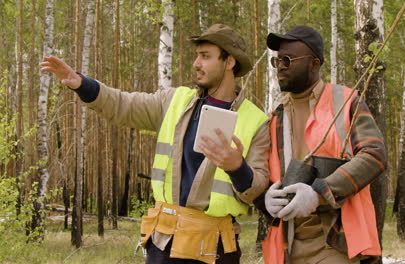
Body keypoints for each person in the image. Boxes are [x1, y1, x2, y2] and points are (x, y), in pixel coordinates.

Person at [40, 24, 270, 264]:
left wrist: (237, 168)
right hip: (165, 245)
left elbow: (258, 189)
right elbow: (123, 105)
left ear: (229, 62)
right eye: (196, 55)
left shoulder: (256, 121)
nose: (196, 63)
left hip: (217, 250)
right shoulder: (174, 101)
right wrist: (81, 84)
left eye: (205, 56)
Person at [260, 26, 387, 264]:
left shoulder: (345, 101)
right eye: (277, 61)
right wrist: (266, 196)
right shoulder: (275, 117)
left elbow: (374, 155)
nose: (281, 67)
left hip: (334, 241)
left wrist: (320, 192)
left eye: (288, 59)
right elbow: (266, 174)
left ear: (314, 64)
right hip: (286, 244)